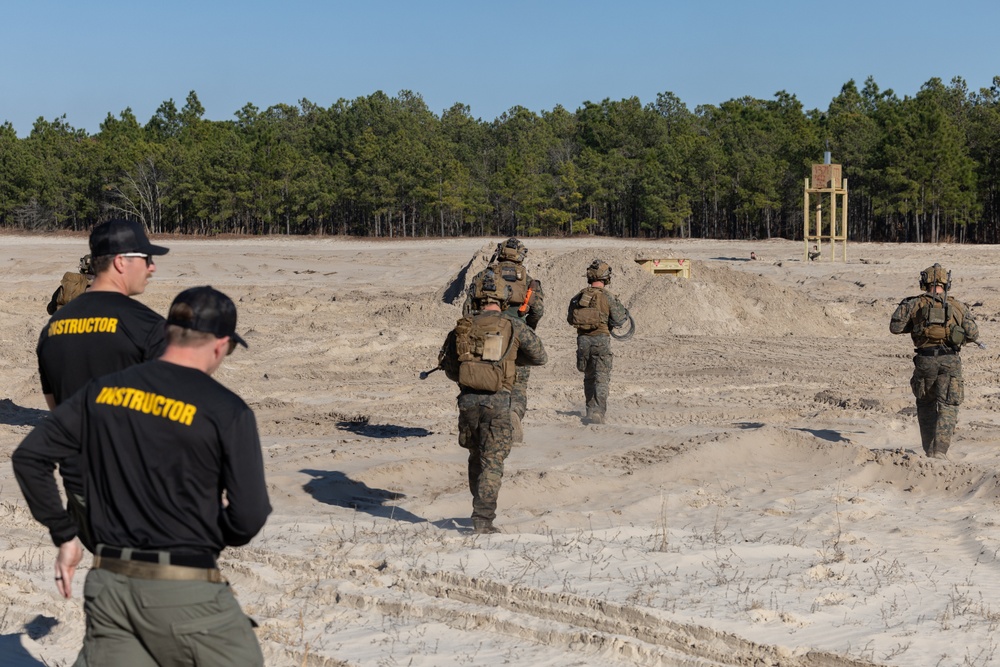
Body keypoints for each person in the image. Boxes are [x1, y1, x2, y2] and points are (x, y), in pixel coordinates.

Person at [13, 286, 271, 666]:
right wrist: (211, 535)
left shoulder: (100, 393)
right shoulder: (225, 409)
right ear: (220, 345)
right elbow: (249, 515)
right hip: (184, 587)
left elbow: (30, 457)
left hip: (109, 585)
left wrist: (65, 533)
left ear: (168, 333)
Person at [36, 217, 170, 551]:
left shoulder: (51, 332)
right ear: (121, 262)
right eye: (146, 259)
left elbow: (57, 412)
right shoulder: (148, 326)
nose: (152, 268)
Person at [441, 269, 547, 534]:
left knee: (475, 457)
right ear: (503, 299)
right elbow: (540, 356)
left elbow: (450, 368)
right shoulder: (513, 325)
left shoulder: (462, 327)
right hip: (498, 402)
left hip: (467, 402)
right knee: (493, 462)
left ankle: (478, 510)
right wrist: (511, 358)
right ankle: (483, 519)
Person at [890, 263, 980, 460]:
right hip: (950, 360)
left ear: (924, 281)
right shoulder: (957, 306)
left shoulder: (914, 304)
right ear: (946, 283)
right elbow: (973, 333)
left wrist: (916, 325)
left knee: (926, 404)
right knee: (949, 405)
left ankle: (929, 450)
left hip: (925, 360)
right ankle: (940, 451)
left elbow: (895, 327)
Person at [463, 238, 544, 443]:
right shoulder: (529, 281)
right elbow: (538, 311)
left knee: (489, 378)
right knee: (517, 385)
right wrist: (527, 329)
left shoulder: (483, 276)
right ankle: (514, 414)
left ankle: (487, 423)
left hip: (486, 335)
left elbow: (467, 310)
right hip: (517, 336)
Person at [567, 260, 628, 424]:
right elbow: (620, 319)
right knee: (601, 378)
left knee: (588, 377)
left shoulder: (578, 296)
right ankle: (598, 412)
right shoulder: (607, 297)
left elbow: (569, 319)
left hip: (583, 341)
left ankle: (589, 409)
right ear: (606, 278)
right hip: (601, 340)